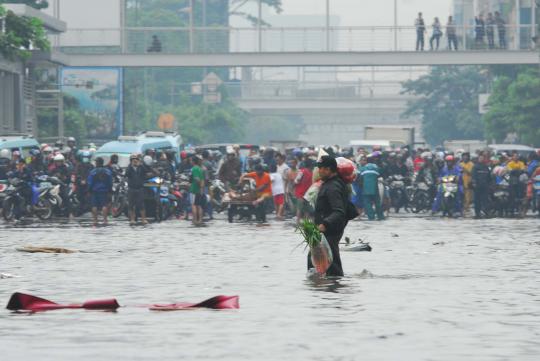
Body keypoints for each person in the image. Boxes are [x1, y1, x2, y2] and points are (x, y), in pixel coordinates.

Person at [311, 156, 356, 277]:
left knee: (330, 263)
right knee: (322, 261)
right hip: (327, 229)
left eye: (321, 168)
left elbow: (339, 211)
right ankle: (333, 286)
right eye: (319, 168)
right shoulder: (329, 184)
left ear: (329, 169)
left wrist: (324, 224)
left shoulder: (333, 187)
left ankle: (335, 287)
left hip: (331, 230)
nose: (319, 171)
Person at [87, 157, 113, 226]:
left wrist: (89, 190)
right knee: (104, 205)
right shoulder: (108, 171)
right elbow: (110, 182)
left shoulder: (92, 172)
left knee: (94, 206)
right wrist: (110, 191)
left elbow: (90, 182)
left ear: (97, 163)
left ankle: (95, 220)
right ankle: (105, 220)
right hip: (104, 191)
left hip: (94, 191)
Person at [359, 155, 385, 221]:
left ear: (366, 161)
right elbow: (381, 175)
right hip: (375, 188)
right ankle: (380, 216)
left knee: (367, 203)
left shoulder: (363, 168)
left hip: (366, 189)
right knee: (377, 203)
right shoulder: (376, 168)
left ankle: (371, 217)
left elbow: (360, 178)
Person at [125, 154, 148, 226]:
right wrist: (131, 165)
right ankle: (132, 219)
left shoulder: (141, 167)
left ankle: (143, 219)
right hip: (131, 189)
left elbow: (146, 171)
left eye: (136, 159)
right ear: (131, 161)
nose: (135, 161)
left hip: (140, 188)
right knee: (131, 205)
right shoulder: (129, 168)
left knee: (141, 204)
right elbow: (126, 174)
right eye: (133, 160)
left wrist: (140, 164)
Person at [472, 154, 491, 219]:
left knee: (485, 200)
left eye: (483, 158)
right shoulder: (475, 167)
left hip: (485, 186)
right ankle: (477, 213)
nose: (481, 159)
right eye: (480, 158)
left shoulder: (486, 167)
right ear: (478, 159)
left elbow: (489, 177)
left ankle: (486, 212)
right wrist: (474, 183)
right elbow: (473, 176)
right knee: (477, 200)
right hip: (477, 186)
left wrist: (489, 184)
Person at [190, 155, 206, 226]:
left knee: (193, 205)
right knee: (199, 205)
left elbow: (197, 179)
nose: (190, 161)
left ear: (193, 161)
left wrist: (199, 185)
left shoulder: (194, 169)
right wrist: (201, 188)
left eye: (191, 160)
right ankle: (200, 220)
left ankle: (195, 220)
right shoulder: (200, 169)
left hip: (194, 189)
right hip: (199, 190)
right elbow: (202, 179)